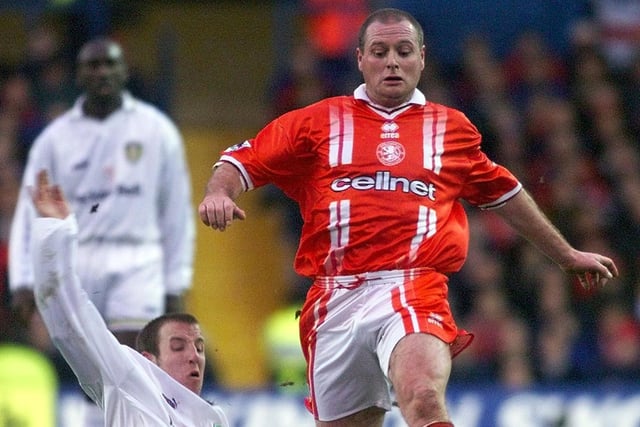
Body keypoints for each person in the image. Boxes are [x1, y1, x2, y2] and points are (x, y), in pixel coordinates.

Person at [198, 8, 618, 427]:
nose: (392, 62)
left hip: (414, 286)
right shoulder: (318, 121)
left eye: (403, 51)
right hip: (334, 297)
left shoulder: (450, 128)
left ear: (422, 57)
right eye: (379, 52)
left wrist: (565, 254)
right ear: (360, 58)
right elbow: (243, 159)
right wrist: (219, 191)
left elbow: (503, 193)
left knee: (422, 397)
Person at [9, 36, 195, 350]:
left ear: (125, 71)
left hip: (139, 258)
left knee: (134, 357)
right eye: (92, 66)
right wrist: (23, 279)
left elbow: (176, 212)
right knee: (85, 359)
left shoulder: (158, 131)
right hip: (78, 258)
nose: (102, 72)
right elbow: (30, 210)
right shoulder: (54, 139)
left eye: (110, 64)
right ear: (78, 75)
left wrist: (176, 280)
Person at [29, 169, 228, 426]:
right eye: (178, 346)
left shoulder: (213, 419)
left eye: (199, 347)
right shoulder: (129, 383)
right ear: (149, 361)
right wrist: (54, 234)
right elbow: (69, 318)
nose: (193, 356)